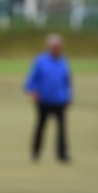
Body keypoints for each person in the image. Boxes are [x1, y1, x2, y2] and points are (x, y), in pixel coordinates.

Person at [25, 32, 73, 163]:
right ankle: (35, 153)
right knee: (41, 126)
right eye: (54, 46)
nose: (57, 49)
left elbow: (67, 81)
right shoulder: (40, 61)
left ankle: (62, 154)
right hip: (43, 100)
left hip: (59, 101)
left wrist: (69, 96)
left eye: (59, 46)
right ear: (49, 47)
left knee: (62, 129)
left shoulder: (64, 61)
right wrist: (32, 91)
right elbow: (31, 80)